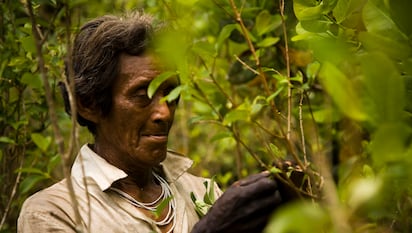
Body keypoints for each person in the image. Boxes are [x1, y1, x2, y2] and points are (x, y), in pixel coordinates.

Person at [18, 12, 284, 233]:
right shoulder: (53, 211)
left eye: (170, 93)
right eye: (141, 95)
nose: (165, 113)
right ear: (89, 105)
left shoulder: (203, 192)